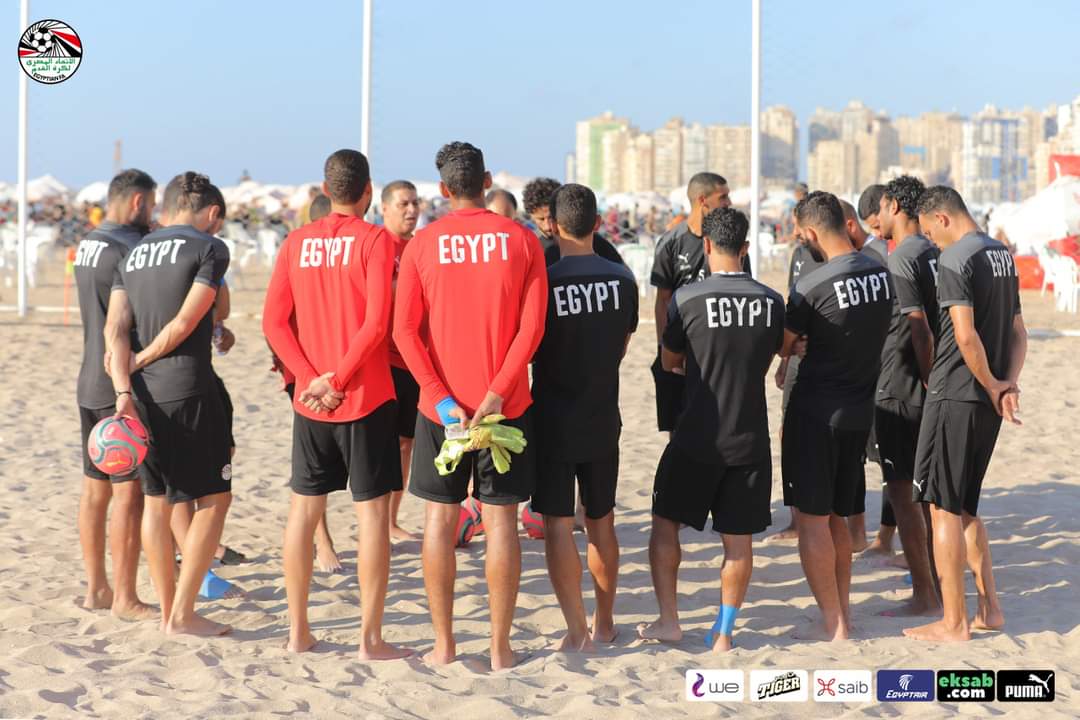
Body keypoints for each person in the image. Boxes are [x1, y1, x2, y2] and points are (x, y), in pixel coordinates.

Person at [394, 141, 547, 671]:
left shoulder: (422, 243)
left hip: (443, 410)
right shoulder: (521, 239)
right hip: (504, 405)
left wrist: (439, 396)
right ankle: (501, 648)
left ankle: (444, 645)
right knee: (501, 524)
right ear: (486, 181)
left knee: (439, 523)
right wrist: (499, 390)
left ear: (442, 189)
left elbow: (404, 333)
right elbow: (532, 328)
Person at [263, 150, 407, 659]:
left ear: (326, 189)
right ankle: (370, 639)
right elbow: (377, 324)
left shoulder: (296, 242)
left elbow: (273, 323)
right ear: (368, 191)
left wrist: (310, 379)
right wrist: (338, 378)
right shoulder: (375, 240)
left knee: (303, 512)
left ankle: (298, 631)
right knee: (372, 519)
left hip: (311, 402)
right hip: (363, 394)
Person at [639, 207, 783, 652]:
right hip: (750, 436)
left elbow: (669, 360)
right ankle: (724, 632)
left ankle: (669, 620)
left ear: (705, 245)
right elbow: (774, 354)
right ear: (745, 248)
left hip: (697, 433)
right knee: (738, 543)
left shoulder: (687, 298)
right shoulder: (771, 301)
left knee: (665, 524)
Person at [104, 171, 234, 636]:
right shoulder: (210, 248)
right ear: (212, 212)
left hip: (141, 396)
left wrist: (124, 387)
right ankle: (183, 613)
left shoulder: (134, 253)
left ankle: (166, 612)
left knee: (157, 502)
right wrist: (143, 359)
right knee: (215, 498)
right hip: (189, 388)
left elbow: (115, 329)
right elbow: (184, 323)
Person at [904, 186, 1025, 642]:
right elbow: (1018, 331)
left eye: (929, 232)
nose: (930, 241)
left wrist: (993, 383)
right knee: (967, 506)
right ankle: (989, 608)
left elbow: (965, 334)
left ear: (941, 218)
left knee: (943, 509)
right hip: (985, 399)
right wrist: (1007, 382)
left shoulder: (957, 257)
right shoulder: (1001, 253)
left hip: (955, 393)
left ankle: (953, 621)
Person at [780, 191, 893, 641]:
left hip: (814, 413)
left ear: (811, 232)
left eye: (798, 233)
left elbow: (782, 343)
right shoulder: (880, 272)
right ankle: (842, 612)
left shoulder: (812, 284)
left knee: (812, 521)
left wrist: (796, 344)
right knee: (838, 519)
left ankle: (833, 623)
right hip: (859, 410)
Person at [530, 184, 637, 652]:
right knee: (601, 522)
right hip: (601, 413)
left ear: (553, 225)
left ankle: (576, 630)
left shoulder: (544, 281)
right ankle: (605, 621)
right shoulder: (623, 279)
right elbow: (622, 346)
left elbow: (529, 348)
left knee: (557, 525)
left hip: (553, 415)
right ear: (597, 223)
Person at [73, 168, 157, 620]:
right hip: (120, 381)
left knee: (94, 489)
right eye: (153, 204)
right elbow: (131, 321)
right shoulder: (130, 247)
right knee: (129, 493)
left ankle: (97, 590)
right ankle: (125, 596)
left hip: (89, 378)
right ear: (139, 201)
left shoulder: (90, 242)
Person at [167, 184, 247, 600]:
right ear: (213, 214)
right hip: (180, 378)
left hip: (185, 374)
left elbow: (217, 315)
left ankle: (199, 552)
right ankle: (194, 566)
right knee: (186, 484)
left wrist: (218, 329)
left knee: (205, 466)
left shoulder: (157, 249)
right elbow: (197, 315)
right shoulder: (204, 249)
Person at [871, 175, 942, 615]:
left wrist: (928, 377)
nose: (877, 217)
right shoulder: (935, 252)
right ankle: (935, 583)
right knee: (928, 494)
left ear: (895, 206)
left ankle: (924, 593)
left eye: (880, 207)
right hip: (927, 383)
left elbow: (918, 328)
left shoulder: (902, 257)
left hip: (901, 384)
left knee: (902, 492)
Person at [650, 173, 735, 436]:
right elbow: (662, 301)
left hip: (719, 349)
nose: (729, 203)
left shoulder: (727, 242)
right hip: (681, 350)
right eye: (723, 197)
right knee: (680, 430)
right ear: (702, 200)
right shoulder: (671, 242)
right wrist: (666, 350)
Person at [766, 207, 826, 543]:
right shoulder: (800, 254)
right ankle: (795, 518)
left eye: (798, 228)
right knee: (787, 431)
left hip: (830, 361)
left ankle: (850, 524)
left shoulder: (842, 257)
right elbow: (794, 304)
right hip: (798, 358)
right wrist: (785, 360)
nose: (794, 234)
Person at [837, 198, 893, 554]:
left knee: (889, 462)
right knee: (860, 457)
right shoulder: (864, 257)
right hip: (865, 374)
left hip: (882, 372)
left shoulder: (878, 258)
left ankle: (884, 537)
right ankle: (862, 533)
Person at [382, 179, 422, 541]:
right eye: (403, 204)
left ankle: (391, 520)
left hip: (416, 360)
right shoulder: (379, 245)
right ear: (384, 209)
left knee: (406, 444)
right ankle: (378, 520)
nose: (411, 210)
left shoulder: (419, 246)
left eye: (415, 203)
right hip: (385, 360)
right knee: (386, 444)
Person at [522, 177, 624, 266]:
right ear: (531, 216)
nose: (548, 226)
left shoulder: (591, 241)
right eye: (541, 219)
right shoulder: (530, 247)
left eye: (551, 217)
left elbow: (622, 273)